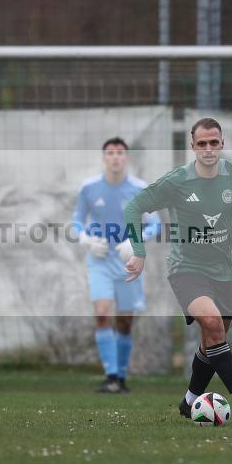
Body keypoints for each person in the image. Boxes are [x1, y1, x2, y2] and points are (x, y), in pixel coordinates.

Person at [123, 118, 232, 424]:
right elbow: (133, 207)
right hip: (186, 268)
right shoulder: (177, 181)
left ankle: (188, 401)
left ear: (222, 144)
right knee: (211, 323)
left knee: (213, 339)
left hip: (222, 270)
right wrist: (139, 252)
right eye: (202, 144)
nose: (209, 149)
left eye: (214, 143)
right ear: (192, 146)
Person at [72, 137, 160, 393]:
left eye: (120, 152)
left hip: (128, 262)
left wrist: (136, 242)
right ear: (104, 158)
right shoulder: (89, 187)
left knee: (124, 321)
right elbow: (76, 221)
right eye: (110, 153)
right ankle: (110, 376)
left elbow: (155, 224)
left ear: (127, 158)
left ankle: (120, 377)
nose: (115, 157)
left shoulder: (140, 188)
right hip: (99, 260)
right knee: (102, 313)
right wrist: (86, 240)